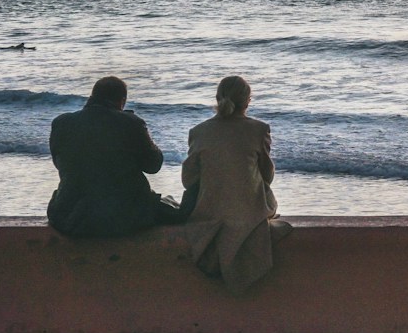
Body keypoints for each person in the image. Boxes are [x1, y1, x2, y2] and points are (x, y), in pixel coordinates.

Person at [181, 75, 289, 293]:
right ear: (248, 101)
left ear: (217, 97)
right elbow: (267, 175)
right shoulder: (259, 129)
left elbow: (188, 179)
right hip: (250, 209)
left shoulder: (198, 131)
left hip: (209, 208)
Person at [47, 76, 185, 237]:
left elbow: (60, 163)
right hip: (124, 216)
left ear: (91, 97)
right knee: (176, 209)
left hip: (69, 214)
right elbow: (153, 165)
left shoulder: (61, 123)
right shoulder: (130, 122)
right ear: (122, 100)